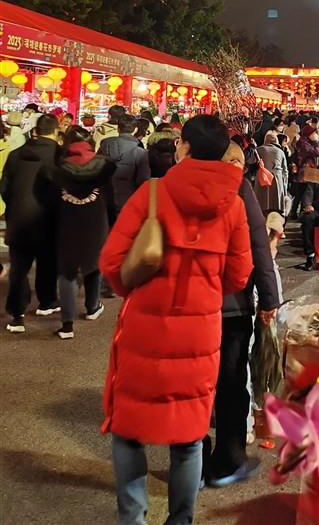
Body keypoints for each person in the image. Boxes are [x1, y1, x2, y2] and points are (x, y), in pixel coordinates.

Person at [99, 115, 253, 525]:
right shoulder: (234, 204)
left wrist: (136, 287)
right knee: (189, 438)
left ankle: (133, 518)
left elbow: (112, 262)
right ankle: (180, 519)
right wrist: (205, 289)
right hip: (201, 332)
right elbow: (239, 275)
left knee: (128, 430)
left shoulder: (152, 193)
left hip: (144, 328)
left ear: (183, 146)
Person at [203, 141, 280, 488]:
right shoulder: (238, 187)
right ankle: (229, 460)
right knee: (232, 382)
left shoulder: (173, 184)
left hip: (190, 305)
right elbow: (258, 244)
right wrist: (269, 298)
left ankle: (192, 461)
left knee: (195, 382)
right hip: (231, 303)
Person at [53, 127, 115, 339]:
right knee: (95, 264)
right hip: (96, 221)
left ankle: (67, 325)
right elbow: (111, 200)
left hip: (67, 221)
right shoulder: (104, 167)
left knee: (67, 271)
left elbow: (51, 199)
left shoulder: (59, 167)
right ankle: (92, 307)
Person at [1, 113, 61, 330]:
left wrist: (14, 207)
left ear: (35, 131)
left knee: (18, 267)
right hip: (49, 218)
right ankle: (47, 301)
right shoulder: (59, 155)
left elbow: (4, 188)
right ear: (55, 131)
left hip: (19, 218)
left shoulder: (16, 154)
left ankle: (17, 314)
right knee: (48, 262)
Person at [98, 114, 151, 227]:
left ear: (118, 129)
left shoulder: (105, 145)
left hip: (104, 199)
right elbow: (143, 180)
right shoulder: (140, 153)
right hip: (128, 201)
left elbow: (97, 170)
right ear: (135, 130)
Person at [253, 132, 288, 215]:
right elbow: (285, 171)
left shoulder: (259, 150)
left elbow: (252, 161)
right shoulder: (280, 151)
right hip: (277, 177)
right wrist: (285, 187)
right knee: (276, 203)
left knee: (262, 201)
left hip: (262, 177)